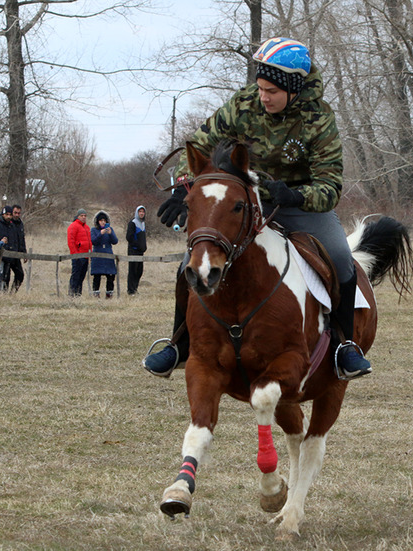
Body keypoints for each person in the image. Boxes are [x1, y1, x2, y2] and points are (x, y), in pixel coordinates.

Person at [143, 36, 372, 380]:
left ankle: (344, 346)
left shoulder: (319, 118)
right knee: (192, 262)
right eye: (261, 87)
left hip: (299, 203)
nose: (263, 97)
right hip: (245, 200)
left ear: (293, 89)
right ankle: (179, 344)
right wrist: (184, 186)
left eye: (272, 91)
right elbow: (201, 143)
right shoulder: (244, 103)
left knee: (340, 257)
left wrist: (295, 196)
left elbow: (330, 186)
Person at [90, 210, 119, 298]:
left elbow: (115, 241)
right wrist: (100, 234)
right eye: (101, 220)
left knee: (110, 276)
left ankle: (109, 294)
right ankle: (96, 294)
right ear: (97, 221)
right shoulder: (94, 230)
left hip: (108, 256)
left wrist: (110, 234)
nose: (103, 222)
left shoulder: (110, 230)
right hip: (97, 257)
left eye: (104, 221)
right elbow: (93, 241)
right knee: (97, 276)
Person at [67, 208, 92, 297]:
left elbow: (90, 242)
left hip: (85, 256)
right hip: (77, 256)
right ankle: (72, 293)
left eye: (85, 216)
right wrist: (75, 254)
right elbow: (71, 241)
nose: (83, 217)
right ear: (78, 216)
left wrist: (90, 254)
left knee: (81, 277)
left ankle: (78, 294)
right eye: (82, 216)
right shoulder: (73, 226)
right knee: (75, 276)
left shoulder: (87, 227)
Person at [126, 205, 147, 295]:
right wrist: (137, 245)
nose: (141, 213)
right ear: (137, 213)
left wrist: (144, 247)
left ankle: (135, 288)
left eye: (143, 212)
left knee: (139, 271)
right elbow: (129, 237)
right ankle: (131, 290)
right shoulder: (133, 223)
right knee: (133, 270)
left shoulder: (143, 223)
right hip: (133, 251)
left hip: (140, 252)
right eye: (140, 212)